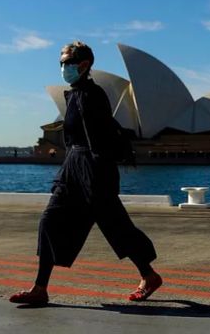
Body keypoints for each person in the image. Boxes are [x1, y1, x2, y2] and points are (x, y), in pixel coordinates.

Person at [10, 41, 162, 306]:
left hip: (94, 168)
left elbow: (99, 138)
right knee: (50, 220)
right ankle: (40, 288)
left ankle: (148, 275)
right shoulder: (74, 94)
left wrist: (97, 176)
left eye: (66, 62)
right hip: (73, 166)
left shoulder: (92, 95)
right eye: (60, 62)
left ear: (83, 65)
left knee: (116, 227)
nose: (62, 67)